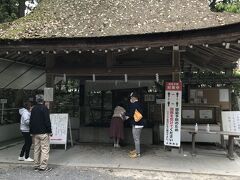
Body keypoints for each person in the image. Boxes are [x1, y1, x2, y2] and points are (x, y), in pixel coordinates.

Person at [30, 94, 52, 171]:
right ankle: (43, 166)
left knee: (36, 149)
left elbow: (31, 121)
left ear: (36, 100)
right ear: (43, 100)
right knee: (45, 149)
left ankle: (36, 165)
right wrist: (50, 131)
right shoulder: (44, 108)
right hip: (44, 132)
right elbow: (47, 121)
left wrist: (31, 132)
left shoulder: (33, 109)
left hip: (35, 133)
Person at [126, 92, 144, 158]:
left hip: (137, 124)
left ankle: (138, 153)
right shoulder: (140, 103)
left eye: (131, 97)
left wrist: (126, 117)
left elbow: (131, 113)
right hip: (140, 123)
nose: (130, 99)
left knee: (136, 139)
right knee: (136, 138)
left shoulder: (134, 104)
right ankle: (136, 150)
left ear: (134, 97)